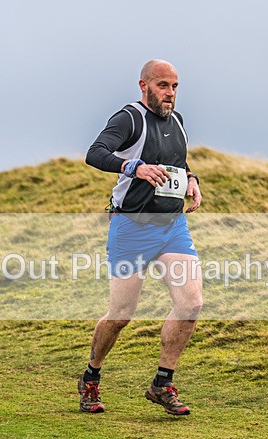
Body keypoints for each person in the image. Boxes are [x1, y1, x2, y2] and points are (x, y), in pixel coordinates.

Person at [78, 59, 203, 415]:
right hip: (131, 228)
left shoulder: (177, 122)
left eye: (175, 86)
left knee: (191, 304)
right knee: (120, 315)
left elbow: (177, 163)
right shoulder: (129, 118)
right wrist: (134, 167)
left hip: (170, 227)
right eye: (163, 85)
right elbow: (95, 153)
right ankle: (91, 377)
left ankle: (162, 383)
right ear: (144, 85)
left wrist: (192, 180)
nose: (170, 93)